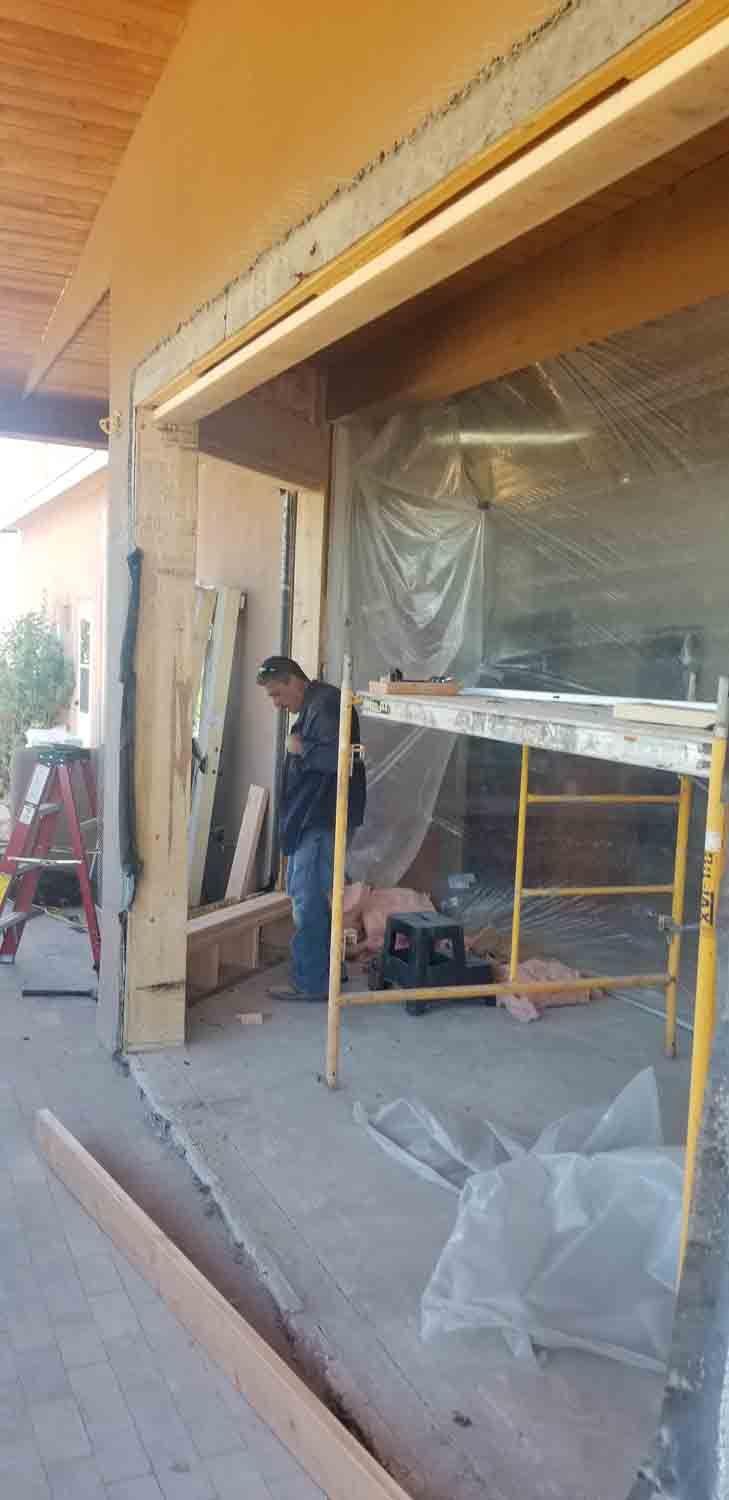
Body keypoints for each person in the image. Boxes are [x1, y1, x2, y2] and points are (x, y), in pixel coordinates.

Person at [257, 656, 366, 1001]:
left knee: (306, 898)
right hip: (318, 817)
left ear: (295, 682)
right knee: (319, 896)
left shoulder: (327, 704)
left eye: (278, 695)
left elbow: (342, 758)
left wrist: (300, 748)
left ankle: (312, 982)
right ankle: (331, 971)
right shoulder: (318, 704)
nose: (277, 704)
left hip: (321, 818)